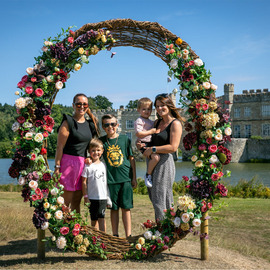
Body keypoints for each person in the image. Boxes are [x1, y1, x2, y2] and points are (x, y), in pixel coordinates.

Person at [54, 93, 99, 214]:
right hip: (68, 164)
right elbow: (59, 146)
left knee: (76, 202)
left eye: (85, 104)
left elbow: (92, 145)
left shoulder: (90, 124)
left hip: (83, 164)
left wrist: (90, 157)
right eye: (79, 104)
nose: (82, 106)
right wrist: (57, 166)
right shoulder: (68, 122)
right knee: (64, 202)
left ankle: (75, 230)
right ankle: (61, 229)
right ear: (73, 105)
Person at [142, 93, 184, 221]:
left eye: (162, 105)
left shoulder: (175, 124)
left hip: (165, 162)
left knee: (162, 197)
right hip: (152, 162)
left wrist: (153, 149)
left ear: (169, 106)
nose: (160, 109)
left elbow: (173, 147)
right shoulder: (157, 122)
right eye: (157, 106)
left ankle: (164, 229)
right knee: (154, 196)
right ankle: (163, 226)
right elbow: (149, 140)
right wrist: (142, 145)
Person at [99, 114, 137, 238]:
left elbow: (131, 159)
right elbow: (95, 156)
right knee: (113, 209)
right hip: (111, 180)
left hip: (125, 178)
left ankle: (129, 235)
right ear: (103, 127)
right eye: (106, 125)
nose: (110, 127)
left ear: (117, 125)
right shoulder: (102, 141)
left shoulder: (125, 139)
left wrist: (134, 177)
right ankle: (115, 235)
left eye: (113, 124)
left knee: (126, 208)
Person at [81, 138, 112, 232]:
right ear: (89, 152)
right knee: (94, 220)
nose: (96, 152)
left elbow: (106, 183)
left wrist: (108, 198)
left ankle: (104, 239)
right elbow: (84, 182)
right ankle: (95, 240)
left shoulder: (104, 165)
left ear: (102, 151)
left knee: (102, 218)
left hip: (102, 197)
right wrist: (86, 197)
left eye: (98, 150)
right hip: (92, 198)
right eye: (93, 150)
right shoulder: (87, 166)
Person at [134, 97, 160, 188]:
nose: (146, 111)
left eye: (149, 109)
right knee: (156, 158)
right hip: (143, 143)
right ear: (138, 110)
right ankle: (148, 175)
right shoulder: (139, 120)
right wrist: (150, 132)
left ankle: (152, 174)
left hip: (150, 144)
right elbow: (138, 133)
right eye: (144, 109)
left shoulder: (150, 121)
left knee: (155, 157)